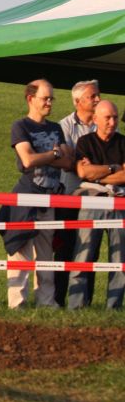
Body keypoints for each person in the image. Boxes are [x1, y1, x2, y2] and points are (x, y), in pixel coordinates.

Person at [0, 79, 74, 309]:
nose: (50, 102)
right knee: (19, 250)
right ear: (31, 99)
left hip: (50, 196)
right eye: (45, 98)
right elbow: (27, 160)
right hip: (27, 196)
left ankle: (47, 303)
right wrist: (53, 154)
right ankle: (17, 303)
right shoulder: (20, 126)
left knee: (46, 254)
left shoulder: (56, 128)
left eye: (51, 98)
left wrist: (49, 155)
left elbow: (68, 162)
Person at [67, 100, 125, 310]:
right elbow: (83, 172)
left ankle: (114, 307)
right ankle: (76, 306)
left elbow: (95, 173)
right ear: (95, 119)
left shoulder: (122, 142)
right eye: (108, 117)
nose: (112, 122)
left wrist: (98, 175)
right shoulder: (85, 142)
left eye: (115, 117)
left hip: (119, 203)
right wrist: (113, 168)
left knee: (120, 259)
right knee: (83, 254)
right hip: (91, 202)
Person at [55, 80, 100, 306]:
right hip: (69, 197)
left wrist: (90, 166)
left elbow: (113, 158)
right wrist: (88, 168)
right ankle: (58, 299)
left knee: (91, 252)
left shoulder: (105, 123)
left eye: (97, 95)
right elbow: (64, 162)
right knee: (65, 249)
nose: (97, 99)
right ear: (77, 101)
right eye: (92, 96)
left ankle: (85, 301)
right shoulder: (64, 126)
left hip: (96, 199)